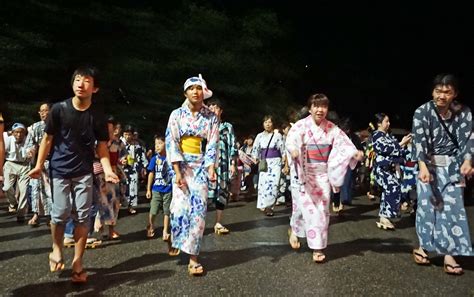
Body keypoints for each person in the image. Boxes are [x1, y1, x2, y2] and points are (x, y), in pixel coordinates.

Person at [28, 66, 119, 283]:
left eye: (87, 80)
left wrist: (107, 170)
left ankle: (78, 262)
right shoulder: (59, 110)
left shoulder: (97, 115)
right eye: (78, 80)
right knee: (59, 214)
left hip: (84, 172)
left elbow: (103, 146)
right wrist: (39, 165)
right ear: (72, 84)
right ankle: (56, 247)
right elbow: (47, 139)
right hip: (59, 170)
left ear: (94, 88)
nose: (81, 84)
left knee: (83, 217)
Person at [286, 93, 363, 263]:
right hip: (305, 172)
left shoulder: (331, 128)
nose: (320, 109)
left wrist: (353, 153)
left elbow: (344, 145)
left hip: (322, 175)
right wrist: (294, 150)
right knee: (301, 207)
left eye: (323, 106)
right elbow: (292, 141)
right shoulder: (300, 126)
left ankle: (318, 247)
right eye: (316, 106)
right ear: (310, 108)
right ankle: (295, 230)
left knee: (321, 211)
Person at [411, 74, 472, 275]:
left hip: (453, 167)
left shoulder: (463, 113)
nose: (442, 96)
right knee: (427, 208)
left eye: (447, 91)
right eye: (438, 91)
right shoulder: (422, 112)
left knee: (453, 210)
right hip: (428, 165)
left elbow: (468, 139)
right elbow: (419, 140)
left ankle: (449, 254)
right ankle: (424, 247)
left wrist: (468, 161)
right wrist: (423, 167)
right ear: (432, 92)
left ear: (455, 93)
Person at [165, 74, 218, 276]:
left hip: (201, 164)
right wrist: (177, 171)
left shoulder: (211, 117)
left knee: (198, 211)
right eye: (191, 88)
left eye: (199, 88)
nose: (196, 92)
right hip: (181, 165)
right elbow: (171, 142)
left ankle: (194, 258)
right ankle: (177, 238)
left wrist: (211, 167)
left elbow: (212, 143)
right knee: (179, 209)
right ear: (185, 92)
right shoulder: (176, 115)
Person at [370, 113, 412, 230]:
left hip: (391, 169)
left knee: (390, 191)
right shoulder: (377, 136)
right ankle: (385, 217)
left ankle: (384, 217)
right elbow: (385, 149)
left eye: (388, 121)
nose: (388, 124)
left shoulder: (388, 136)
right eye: (386, 121)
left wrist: (405, 147)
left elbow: (397, 150)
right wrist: (401, 144)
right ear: (379, 123)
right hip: (383, 168)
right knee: (391, 190)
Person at [207, 98, 237, 234]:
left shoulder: (227, 126)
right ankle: (199, 223)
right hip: (207, 165)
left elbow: (232, 146)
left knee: (222, 192)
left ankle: (218, 222)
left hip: (223, 165)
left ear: (221, 111)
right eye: (210, 107)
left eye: (216, 107)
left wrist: (232, 163)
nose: (213, 109)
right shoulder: (204, 125)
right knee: (205, 193)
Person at [251, 115, 286, 216]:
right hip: (264, 162)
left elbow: (282, 148)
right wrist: (255, 157)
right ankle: (263, 204)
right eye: (266, 122)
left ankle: (269, 206)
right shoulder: (259, 136)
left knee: (273, 184)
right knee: (263, 184)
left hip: (275, 162)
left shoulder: (277, 136)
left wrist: (284, 159)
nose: (267, 124)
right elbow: (255, 148)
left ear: (273, 123)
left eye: (269, 122)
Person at [25, 103, 52, 226]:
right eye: (41, 111)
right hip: (39, 163)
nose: (42, 113)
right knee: (36, 189)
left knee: (52, 191)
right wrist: (30, 151)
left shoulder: (57, 126)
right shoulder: (35, 127)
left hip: (54, 162)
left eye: (45, 110)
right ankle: (36, 214)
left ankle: (51, 215)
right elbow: (30, 144)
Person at [145, 135, 173, 246]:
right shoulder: (154, 159)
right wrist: (148, 189)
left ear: (166, 144)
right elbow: (151, 174)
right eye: (156, 144)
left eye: (160, 143)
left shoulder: (170, 158)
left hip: (168, 189)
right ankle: (151, 225)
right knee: (153, 210)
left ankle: (165, 230)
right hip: (156, 189)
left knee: (167, 211)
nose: (157, 146)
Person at [2, 122, 31, 222]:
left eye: (21, 132)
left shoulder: (28, 140)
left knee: (24, 190)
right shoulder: (7, 140)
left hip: (24, 165)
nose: (19, 135)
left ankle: (21, 214)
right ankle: (13, 203)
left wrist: (30, 154)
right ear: (13, 133)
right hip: (10, 163)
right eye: (17, 132)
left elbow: (30, 151)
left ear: (24, 133)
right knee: (7, 187)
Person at [121, 124, 148, 214]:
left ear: (132, 135)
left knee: (132, 188)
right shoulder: (120, 143)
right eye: (126, 134)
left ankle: (130, 206)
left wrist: (144, 167)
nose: (127, 136)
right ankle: (118, 207)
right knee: (121, 189)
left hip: (133, 168)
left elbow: (142, 156)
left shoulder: (136, 145)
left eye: (129, 134)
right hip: (121, 169)